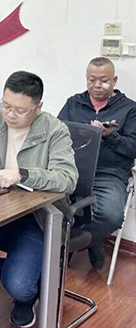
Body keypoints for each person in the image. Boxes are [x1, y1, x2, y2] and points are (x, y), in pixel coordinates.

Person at [0, 71, 78, 328]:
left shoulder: (55, 130)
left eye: (20, 111)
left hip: (36, 217)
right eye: (6, 105)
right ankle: (31, 278)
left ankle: (25, 292)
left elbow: (67, 178)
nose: (10, 115)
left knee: (19, 285)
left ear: (38, 107)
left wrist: (22, 174)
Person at [58, 57, 136, 270]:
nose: (97, 85)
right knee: (45, 205)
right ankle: (87, 240)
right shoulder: (74, 103)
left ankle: (80, 241)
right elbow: (57, 135)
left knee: (111, 215)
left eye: (104, 80)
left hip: (109, 173)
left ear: (114, 81)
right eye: (92, 80)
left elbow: (133, 148)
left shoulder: (130, 109)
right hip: (74, 168)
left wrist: (111, 136)